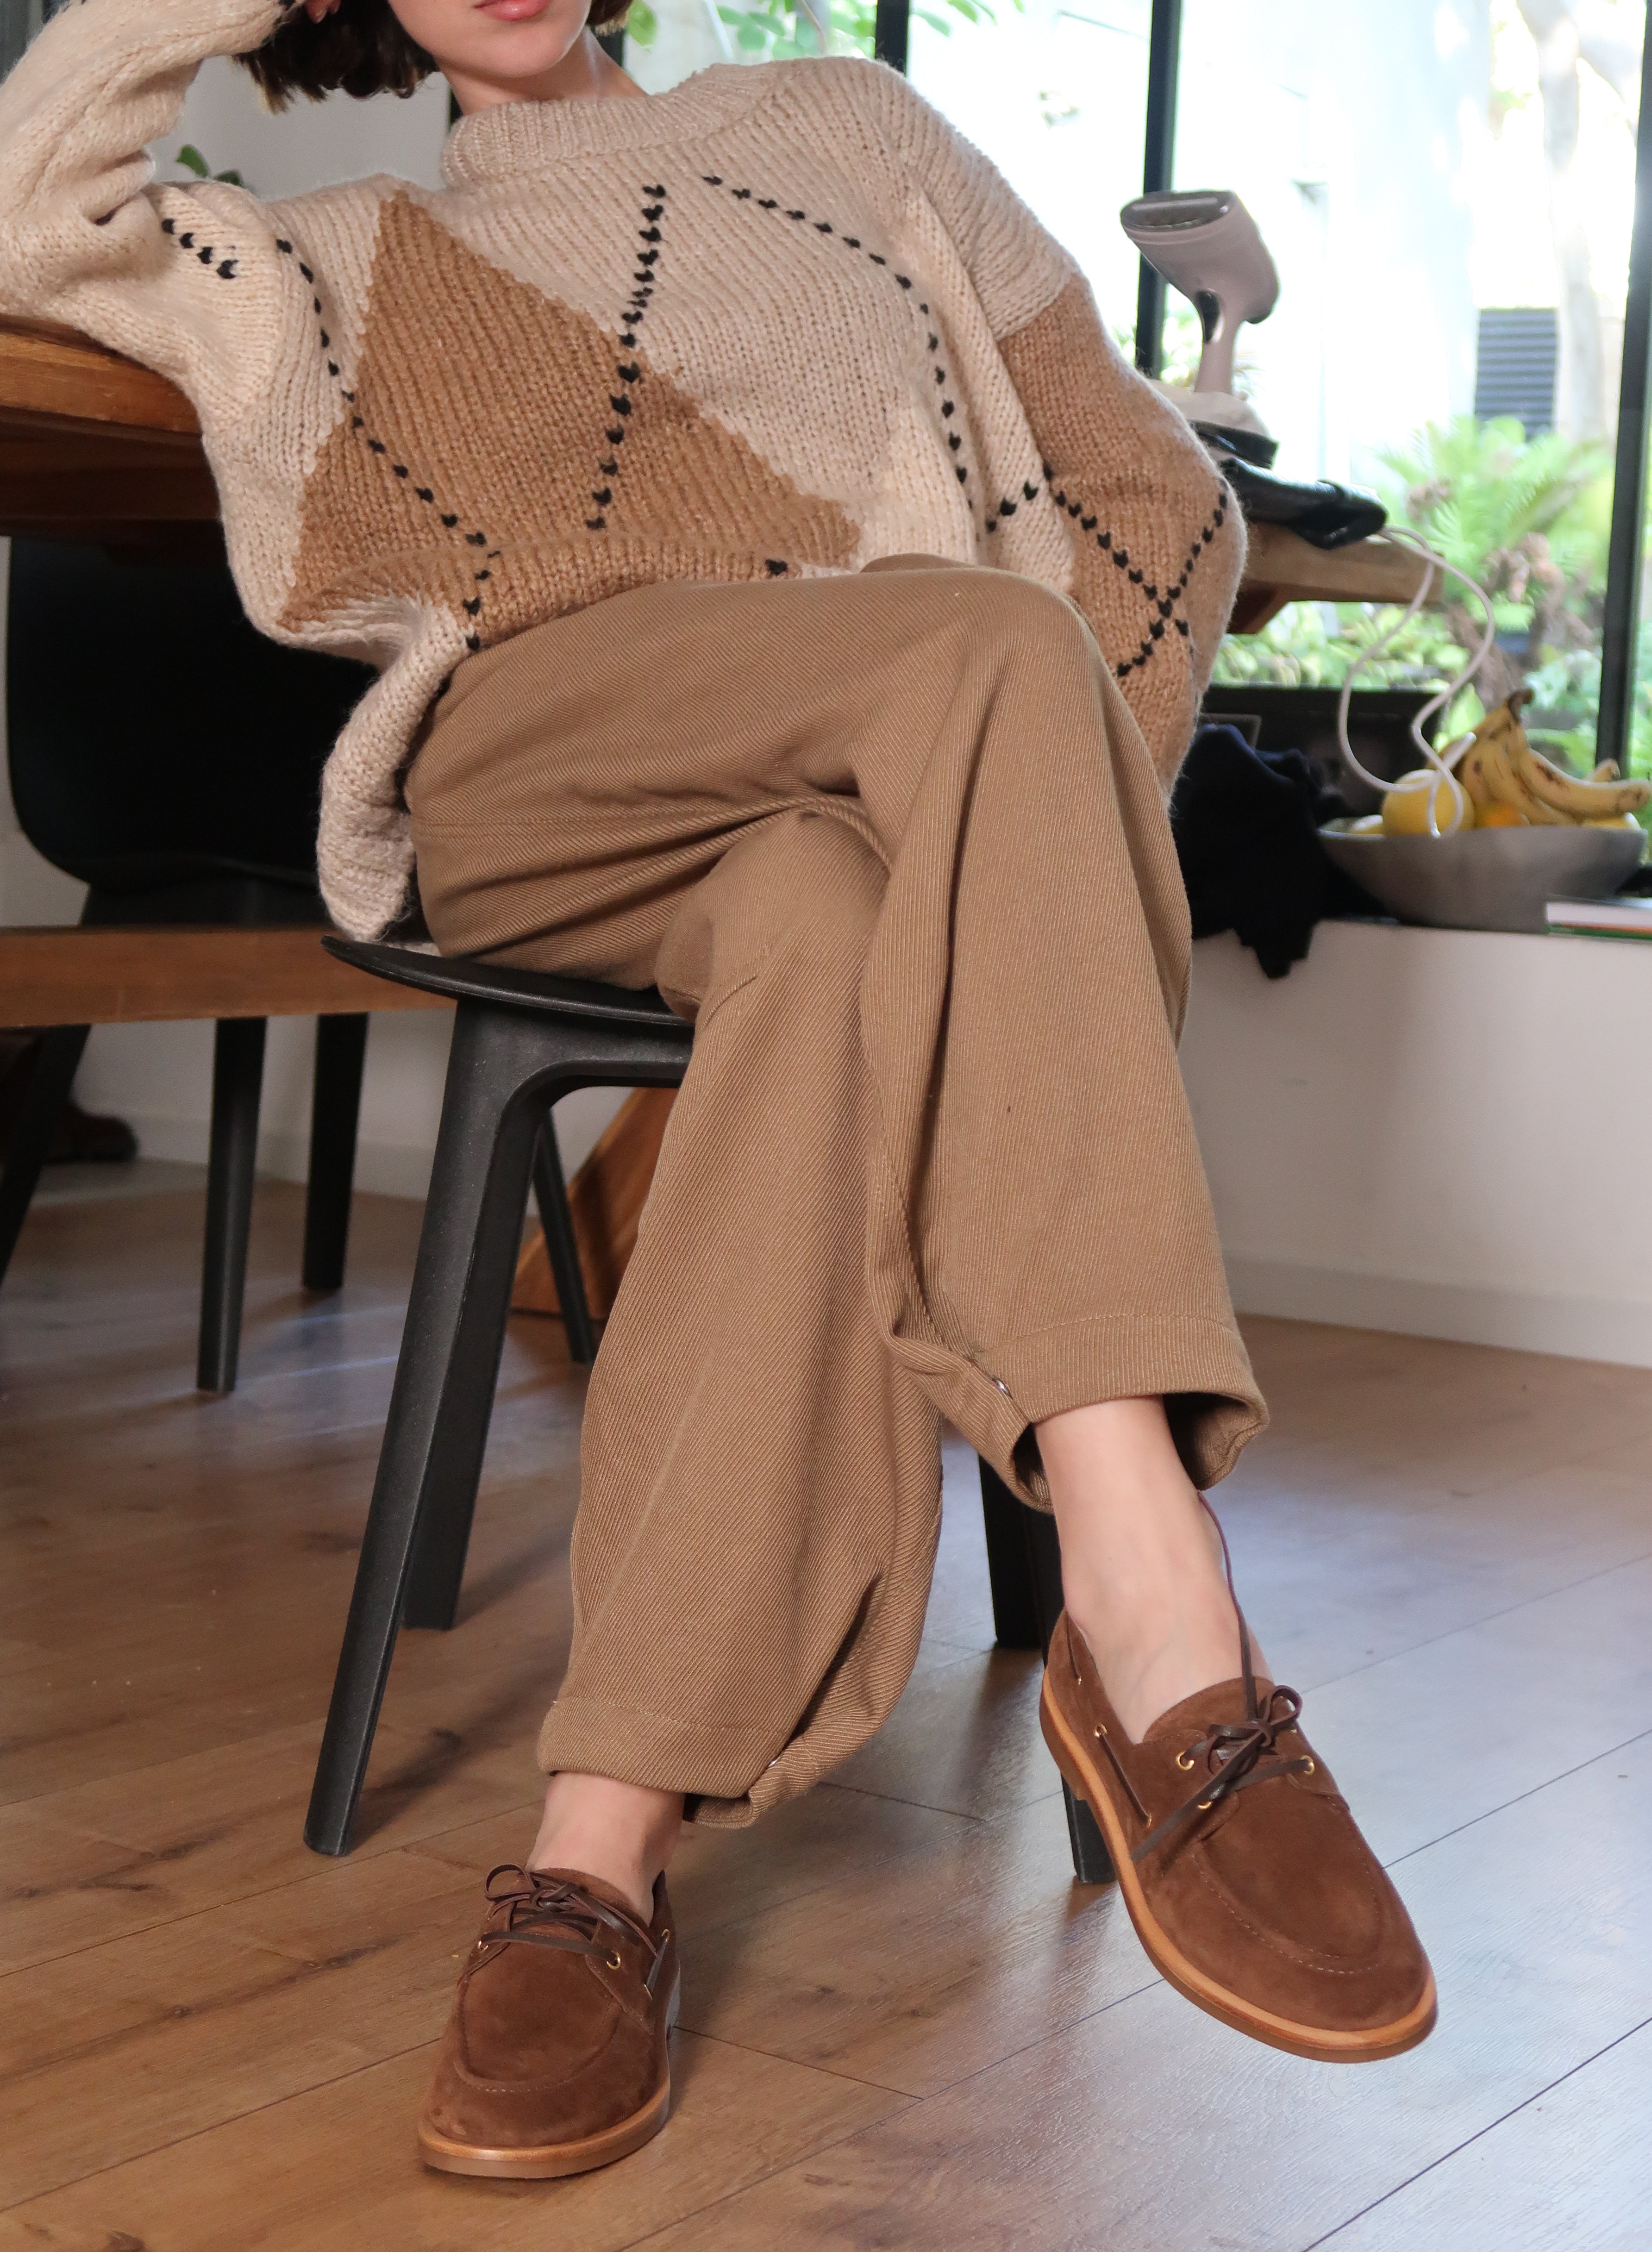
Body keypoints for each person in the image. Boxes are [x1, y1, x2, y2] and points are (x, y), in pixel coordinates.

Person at [0, 0, 1435, 2181]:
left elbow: (1154, 502)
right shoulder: (328, 254)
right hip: (549, 767)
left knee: (844, 915)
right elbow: (23, 221)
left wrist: (1021, 866)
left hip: (857, 782)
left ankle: (600, 1846)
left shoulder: (855, 130)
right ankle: (1154, 1586)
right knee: (978, 647)